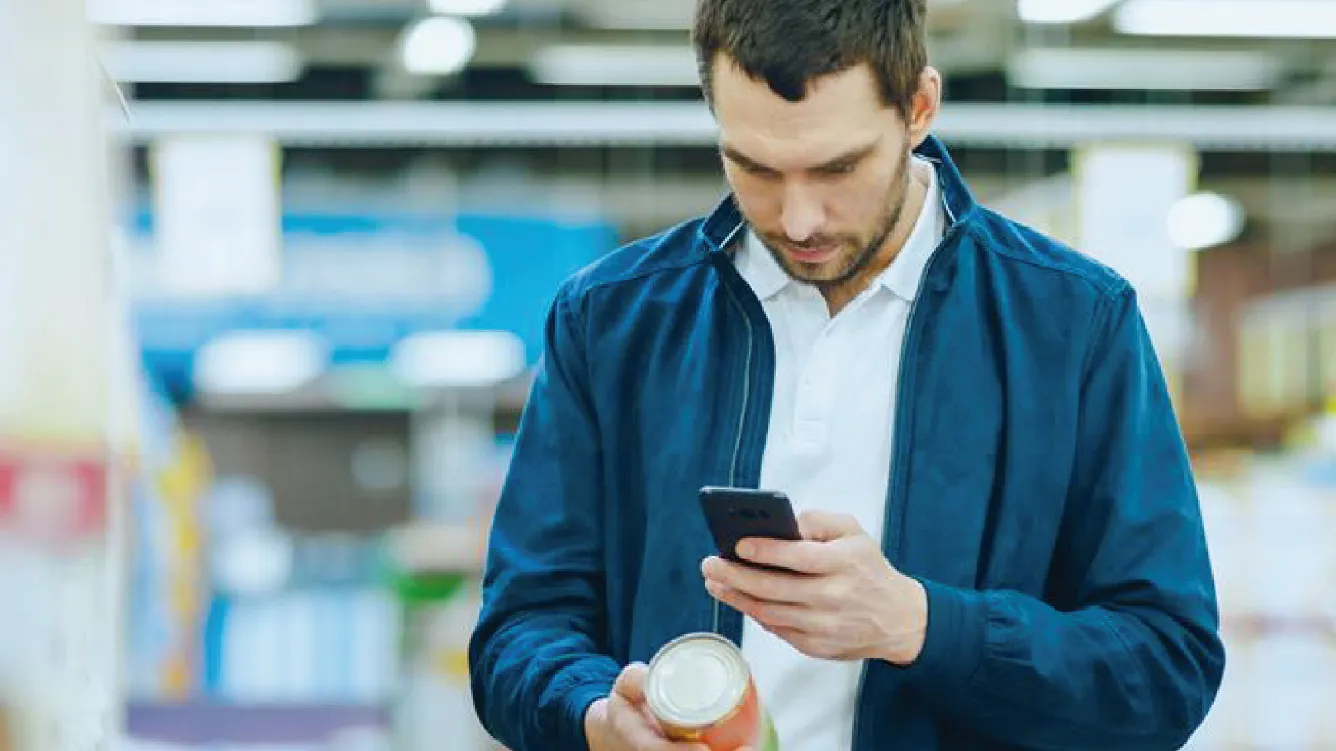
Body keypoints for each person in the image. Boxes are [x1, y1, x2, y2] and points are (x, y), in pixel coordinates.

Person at [469, 0, 1226, 748]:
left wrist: (921, 625)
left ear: (919, 107)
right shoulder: (611, 320)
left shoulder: (1072, 322)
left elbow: (1166, 667)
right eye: (754, 167)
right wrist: (594, 716)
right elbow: (521, 627)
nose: (799, 219)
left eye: (838, 168)